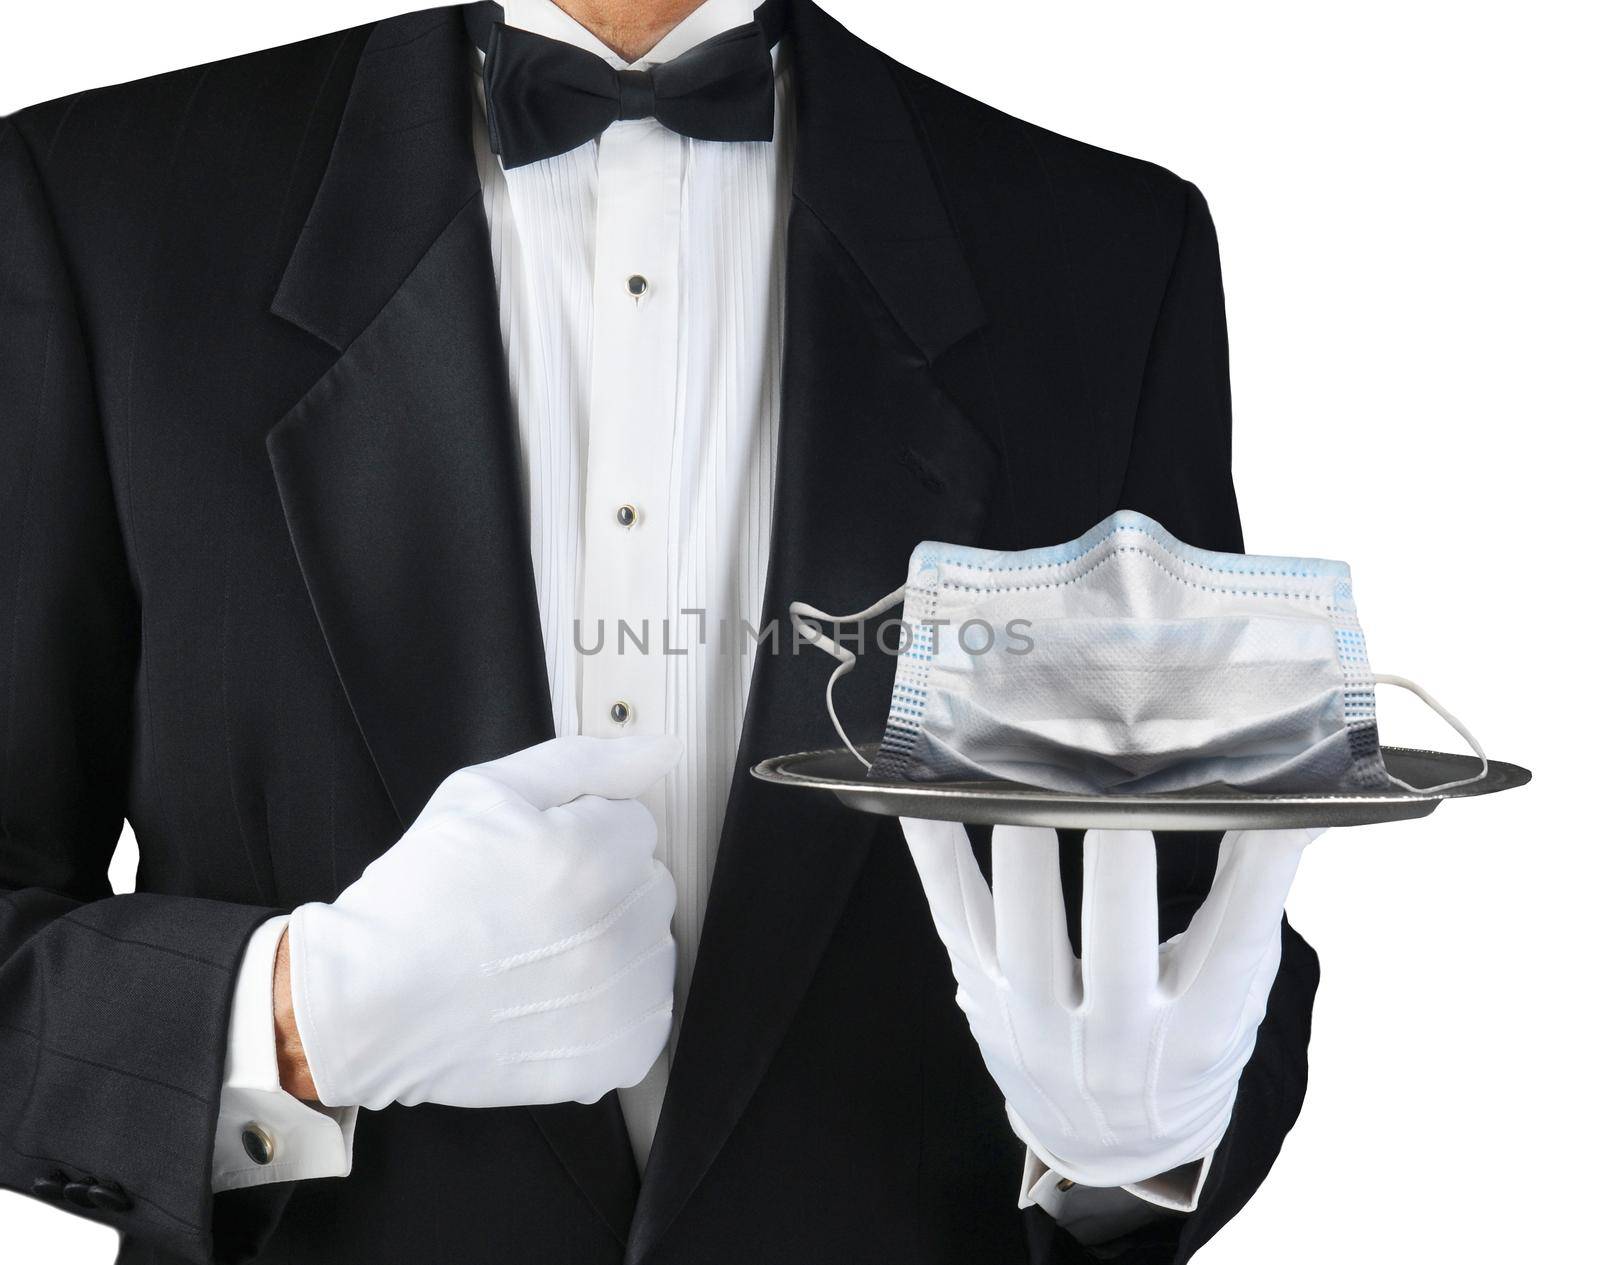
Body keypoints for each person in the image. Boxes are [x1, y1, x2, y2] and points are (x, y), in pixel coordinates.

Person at [0, 2, 1320, 1262]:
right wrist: (298, 1015)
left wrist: (1132, 1156)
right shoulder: (99, 210)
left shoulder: (1101, 259)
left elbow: (1203, 930)